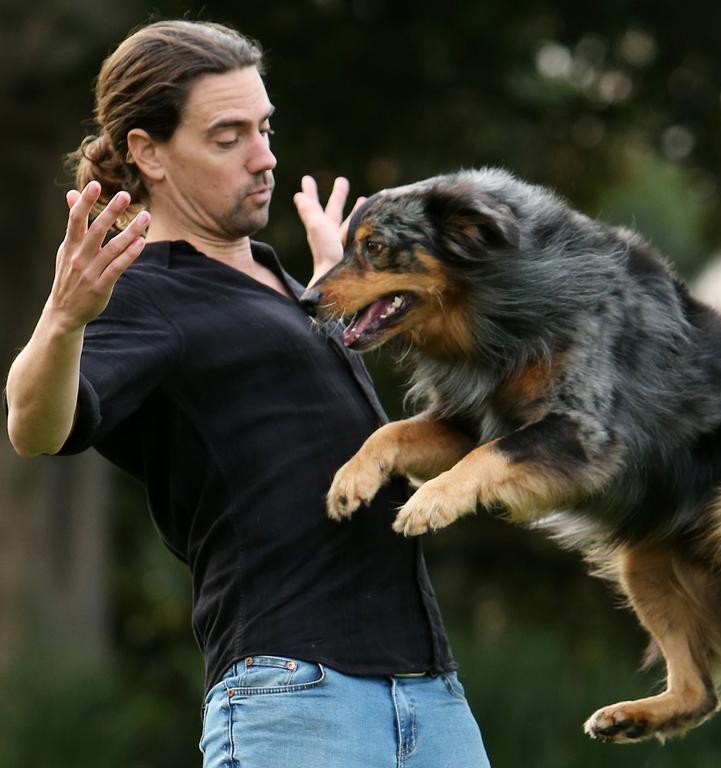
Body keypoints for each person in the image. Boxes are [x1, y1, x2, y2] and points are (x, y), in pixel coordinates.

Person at [4, 20, 489, 768]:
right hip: (297, 697)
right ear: (148, 152)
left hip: (428, 695)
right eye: (228, 137)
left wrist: (346, 301)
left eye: (263, 127)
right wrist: (64, 318)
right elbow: (34, 427)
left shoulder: (284, 285)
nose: (263, 157)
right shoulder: (144, 292)